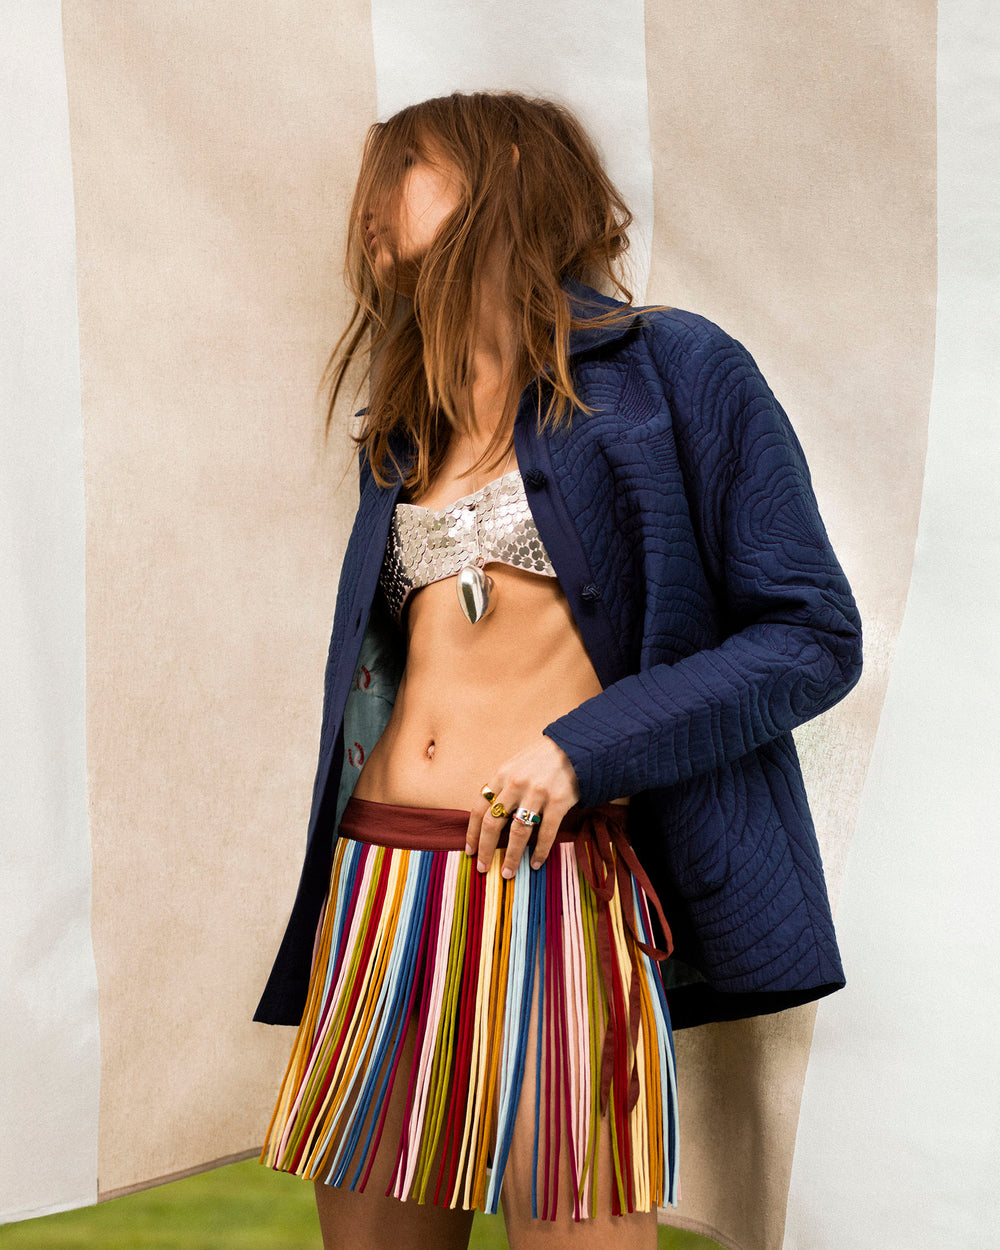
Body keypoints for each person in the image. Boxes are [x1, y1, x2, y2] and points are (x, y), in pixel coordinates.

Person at [253, 91, 863, 1250]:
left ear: (505, 173)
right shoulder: (412, 414)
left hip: (555, 884)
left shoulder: (675, 366)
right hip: (381, 886)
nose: (372, 201)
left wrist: (586, 745)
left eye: (408, 167)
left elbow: (811, 632)